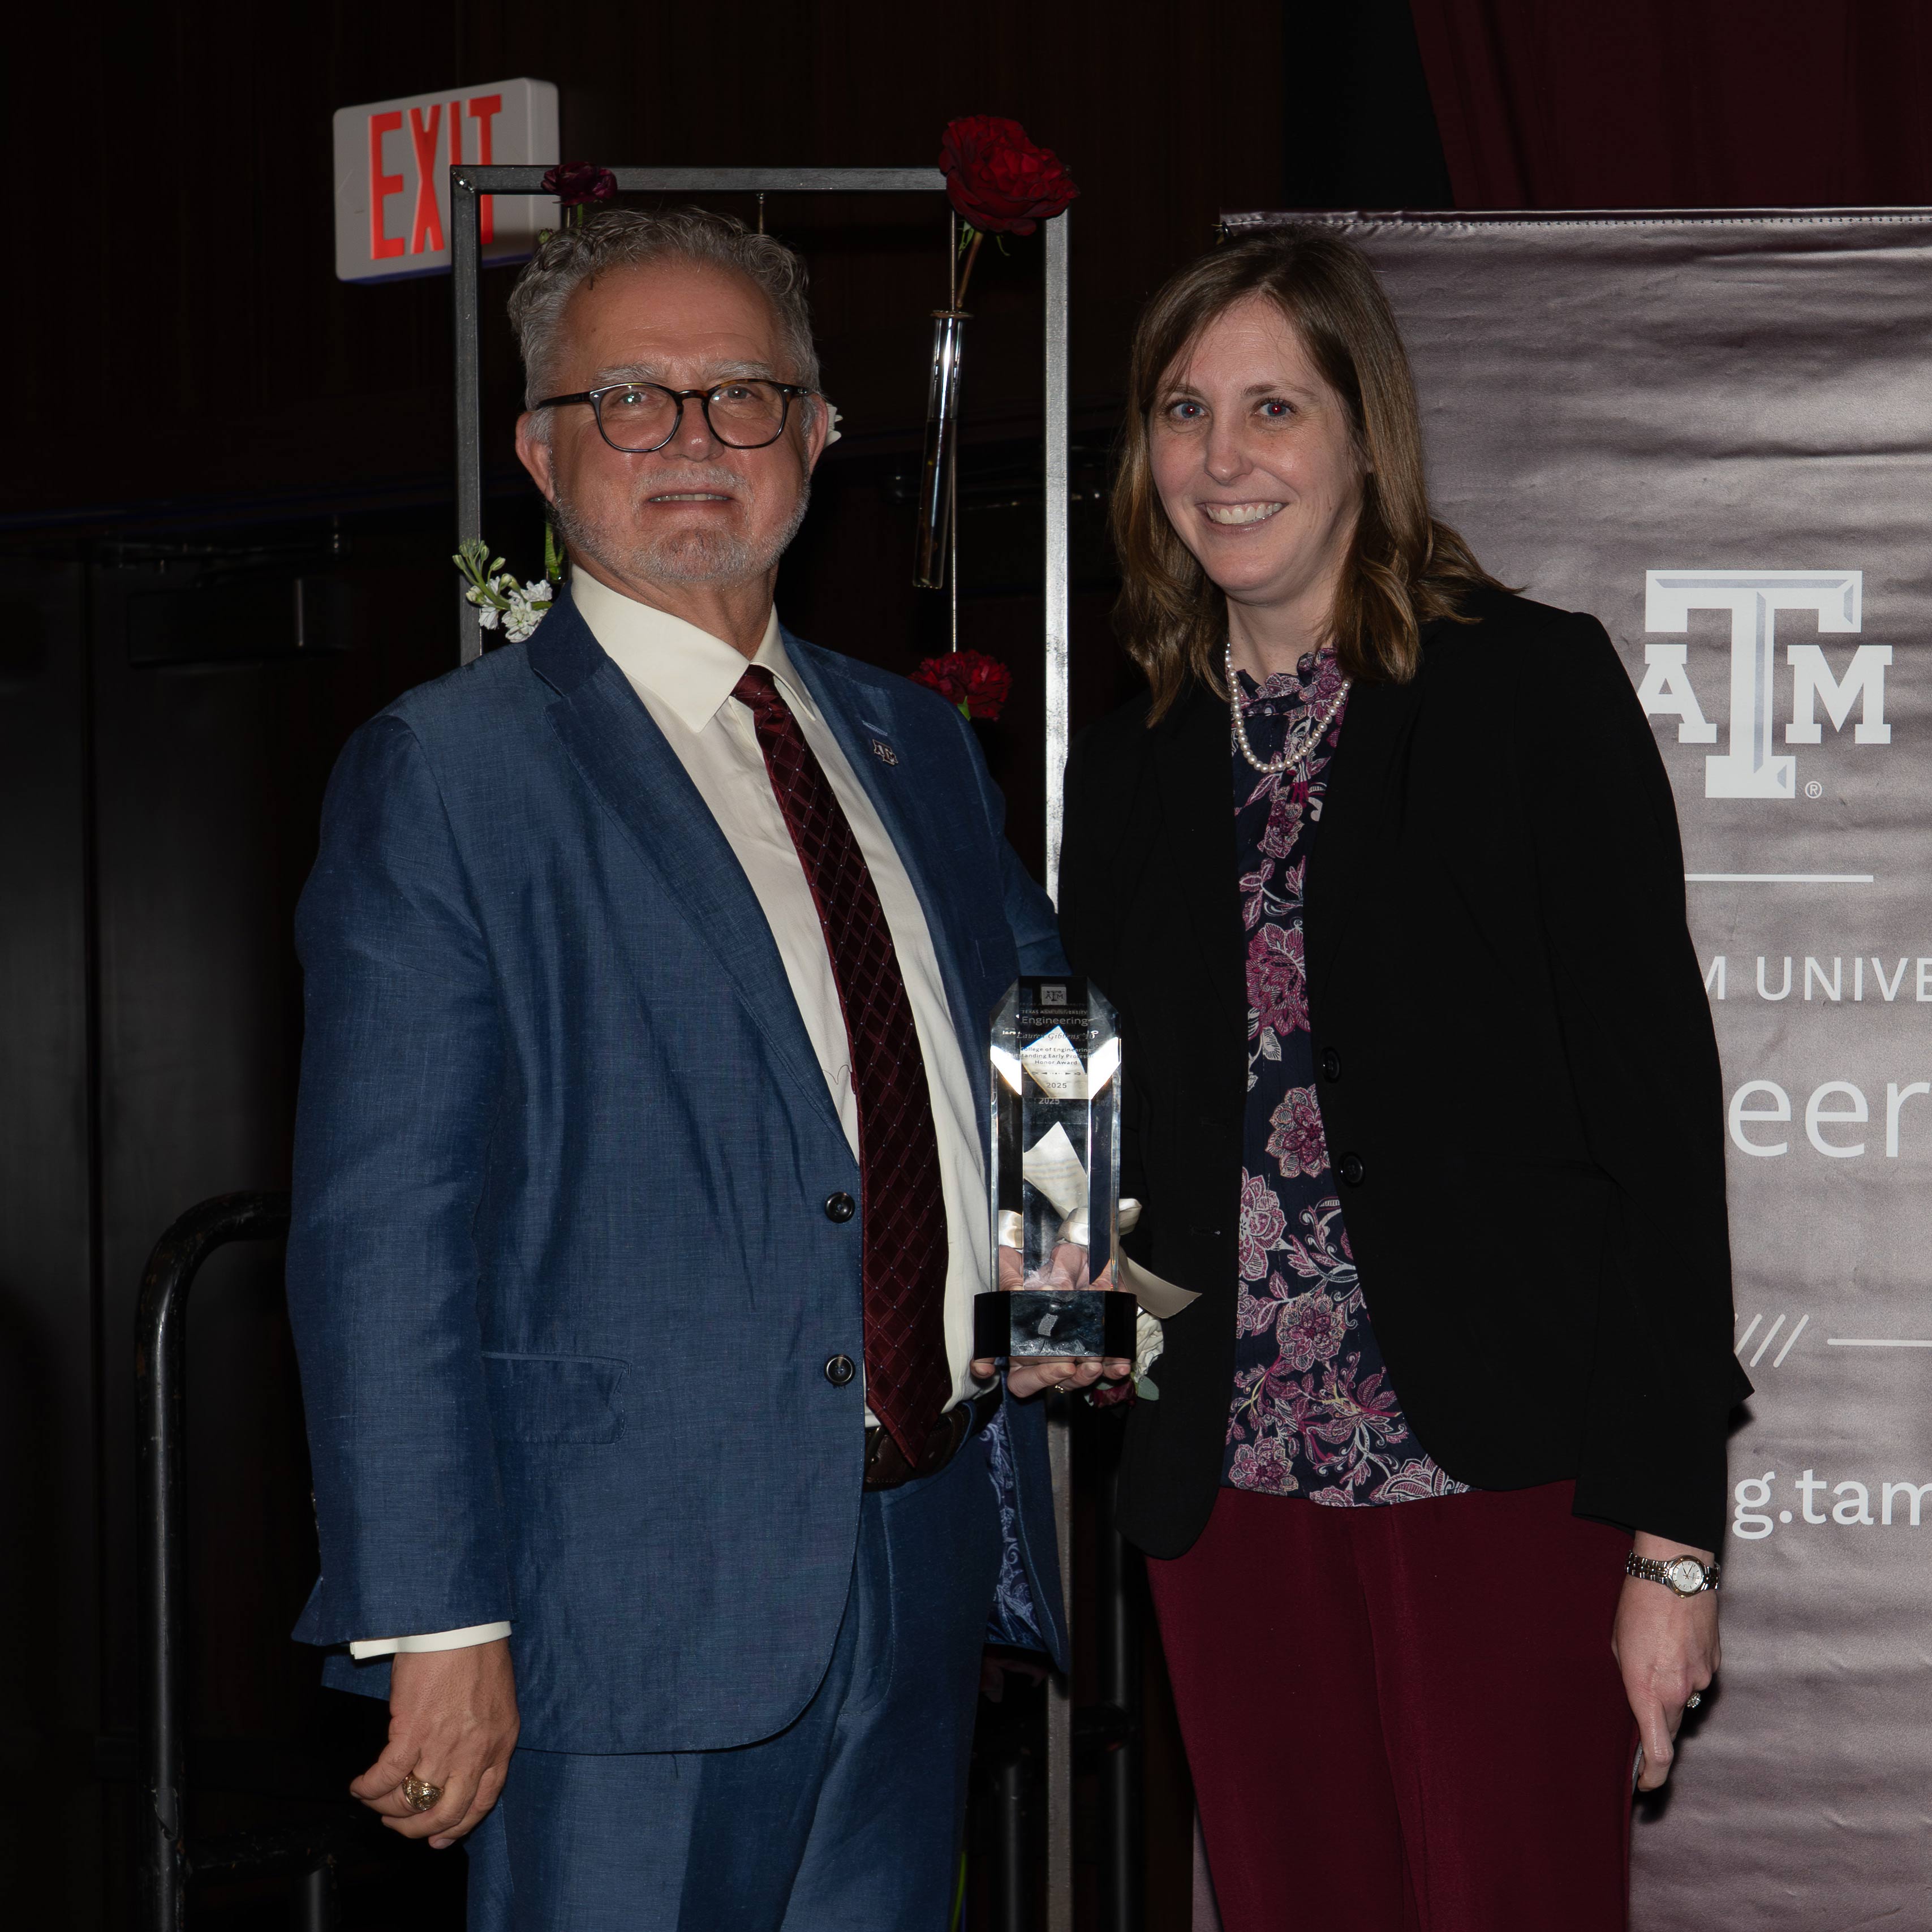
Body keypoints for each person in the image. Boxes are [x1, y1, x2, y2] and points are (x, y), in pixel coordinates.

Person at [286, 206, 1070, 1930]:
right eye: (632, 400)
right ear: (540, 451)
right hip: (613, 1605)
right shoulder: (451, 774)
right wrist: (437, 1620)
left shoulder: (910, 739)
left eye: (741, 398)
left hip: (916, 1548)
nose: (693, 443)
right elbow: (380, 1234)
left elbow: (1036, 1022)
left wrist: (1068, 1293)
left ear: (815, 439)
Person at [1056, 229, 1750, 1930]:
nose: (1221, 460)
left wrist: (1670, 1544)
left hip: (1496, 1473)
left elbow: (1657, 1135)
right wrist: (1057, 1318)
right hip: (1224, 1479)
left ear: (1365, 433)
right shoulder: (1138, 744)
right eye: (1181, 410)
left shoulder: (1528, 689)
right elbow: (1074, 1068)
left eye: (1272, 408)